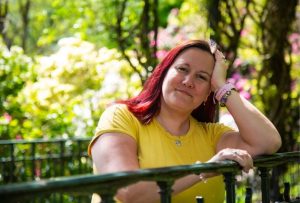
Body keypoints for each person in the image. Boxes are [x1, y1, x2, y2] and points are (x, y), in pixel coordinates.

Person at [88, 39, 281, 203]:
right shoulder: (121, 117)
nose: (189, 81)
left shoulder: (212, 135)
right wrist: (203, 170)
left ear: (208, 92)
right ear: (163, 73)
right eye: (182, 69)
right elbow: (127, 190)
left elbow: (268, 141)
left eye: (201, 77)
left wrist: (222, 86)